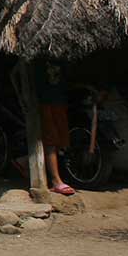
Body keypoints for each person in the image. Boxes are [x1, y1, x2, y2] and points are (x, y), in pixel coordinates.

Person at [34, 61, 75, 195]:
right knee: (50, 139)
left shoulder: (64, 57)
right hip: (45, 102)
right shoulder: (38, 59)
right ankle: (56, 181)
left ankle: (24, 162)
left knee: (61, 139)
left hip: (60, 101)